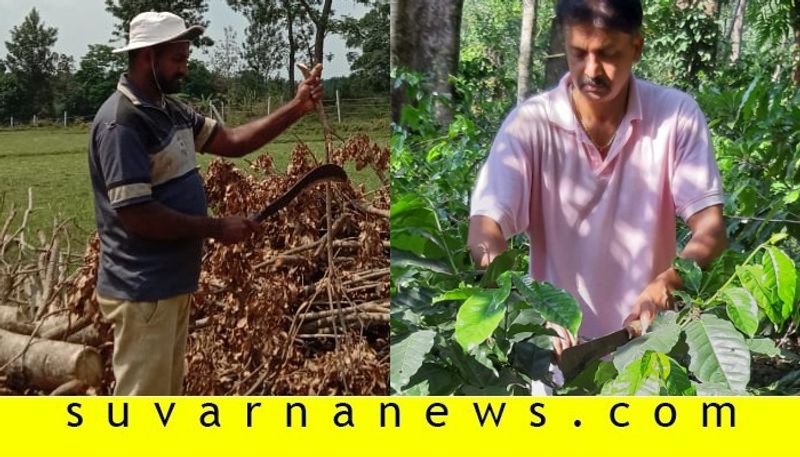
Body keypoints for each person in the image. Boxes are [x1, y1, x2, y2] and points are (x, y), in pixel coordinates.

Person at [467, 0, 727, 384]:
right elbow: (483, 232)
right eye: (579, 53)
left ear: (636, 47)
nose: (591, 70)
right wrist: (533, 311)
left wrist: (667, 283)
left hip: (649, 357)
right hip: (558, 363)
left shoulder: (675, 117)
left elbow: (711, 229)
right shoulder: (531, 127)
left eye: (607, 54)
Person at [89, 11, 323, 395]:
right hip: (143, 289)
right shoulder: (123, 123)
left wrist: (297, 107)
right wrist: (217, 228)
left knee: (165, 398)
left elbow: (231, 142)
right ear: (148, 57)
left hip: (169, 284)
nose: (184, 68)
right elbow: (136, 215)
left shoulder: (170, 109)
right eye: (177, 59)